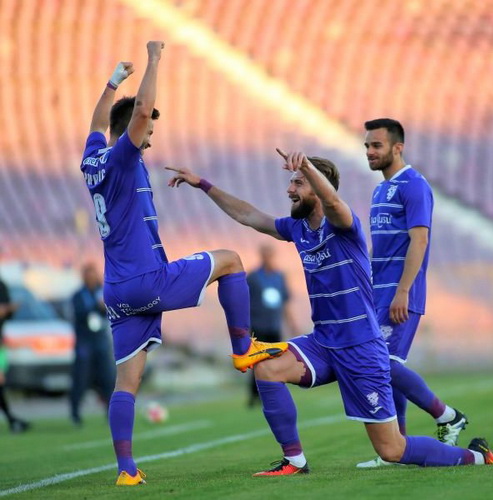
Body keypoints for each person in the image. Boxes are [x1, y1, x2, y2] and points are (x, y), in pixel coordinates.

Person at [167, 149, 493, 476]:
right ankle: (294, 461)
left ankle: (476, 456)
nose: (289, 189)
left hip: (360, 347)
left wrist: (309, 168)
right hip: (323, 342)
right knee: (266, 369)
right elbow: (249, 216)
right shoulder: (297, 228)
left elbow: (334, 202)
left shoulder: (343, 224)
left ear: (317, 187)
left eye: (298, 183)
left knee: (392, 450)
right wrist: (203, 184)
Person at [81, 43, 287, 486]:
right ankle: (243, 349)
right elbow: (140, 113)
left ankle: (126, 471)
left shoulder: (91, 160)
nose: (150, 139)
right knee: (231, 261)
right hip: (146, 279)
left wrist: (112, 82)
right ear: (131, 131)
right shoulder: (123, 158)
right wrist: (154, 60)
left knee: (126, 383)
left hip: (117, 290)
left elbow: (98, 123)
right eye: (148, 133)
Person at [356, 118, 467, 468]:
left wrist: (403, 290)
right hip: (379, 293)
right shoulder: (380, 190)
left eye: (376, 145)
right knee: (386, 369)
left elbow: (420, 240)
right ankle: (397, 449)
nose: (370, 151)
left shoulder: (414, 185)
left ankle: (447, 415)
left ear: (397, 147)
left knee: (383, 364)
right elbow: (380, 248)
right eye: (367, 146)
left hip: (401, 293)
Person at [245, 244, 297, 406]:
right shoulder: (253, 277)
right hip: (257, 325)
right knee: (257, 361)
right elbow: (245, 302)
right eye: (265, 254)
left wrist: (292, 324)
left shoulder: (279, 277)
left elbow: (285, 302)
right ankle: (255, 394)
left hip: (274, 325)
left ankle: (275, 392)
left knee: (276, 360)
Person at [70, 263, 115, 426]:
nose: (90, 278)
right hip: (84, 341)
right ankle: (75, 413)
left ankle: (110, 412)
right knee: (81, 377)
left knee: (107, 377)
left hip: (101, 340)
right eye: (87, 274)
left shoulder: (104, 291)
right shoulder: (78, 295)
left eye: (93, 274)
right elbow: (80, 314)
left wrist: (104, 308)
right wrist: (96, 307)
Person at [0, 275, 29, 434]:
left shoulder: (2, 285)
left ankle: (12, 420)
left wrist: (9, 310)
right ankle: (12, 420)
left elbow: (7, 314)